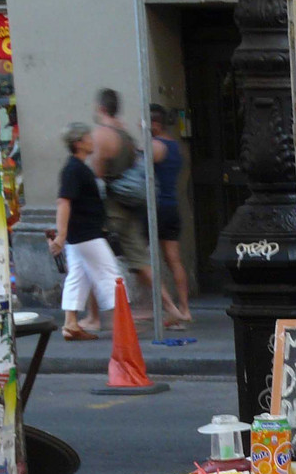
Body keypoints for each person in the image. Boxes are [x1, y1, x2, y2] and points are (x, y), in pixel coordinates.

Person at [90, 87, 181, 325]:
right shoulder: (124, 134)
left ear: (100, 108)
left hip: (111, 207)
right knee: (141, 261)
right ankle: (170, 307)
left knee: (91, 256)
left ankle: (98, 317)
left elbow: (97, 174)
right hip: (129, 203)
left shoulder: (101, 135)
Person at [49, 122, 122, 340]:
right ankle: (123, 325)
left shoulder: (77, 167)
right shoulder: (74, 169)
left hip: (80, 234)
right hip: (86, 234)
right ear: (79, 143)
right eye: (88, 137)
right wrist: (61, 236)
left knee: (78, 278)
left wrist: (64, 235)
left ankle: (71, 324)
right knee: (112, 276)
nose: (93, 141)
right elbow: (64, 202)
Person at [149, 104, 191, 323]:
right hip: (172, 204)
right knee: (174, 260)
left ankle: (168, 308)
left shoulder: (155, 146)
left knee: (145, 261)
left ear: (155, 124)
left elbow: (141, 171)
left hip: (157, 207)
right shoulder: (176, 146)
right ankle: (184, 308)